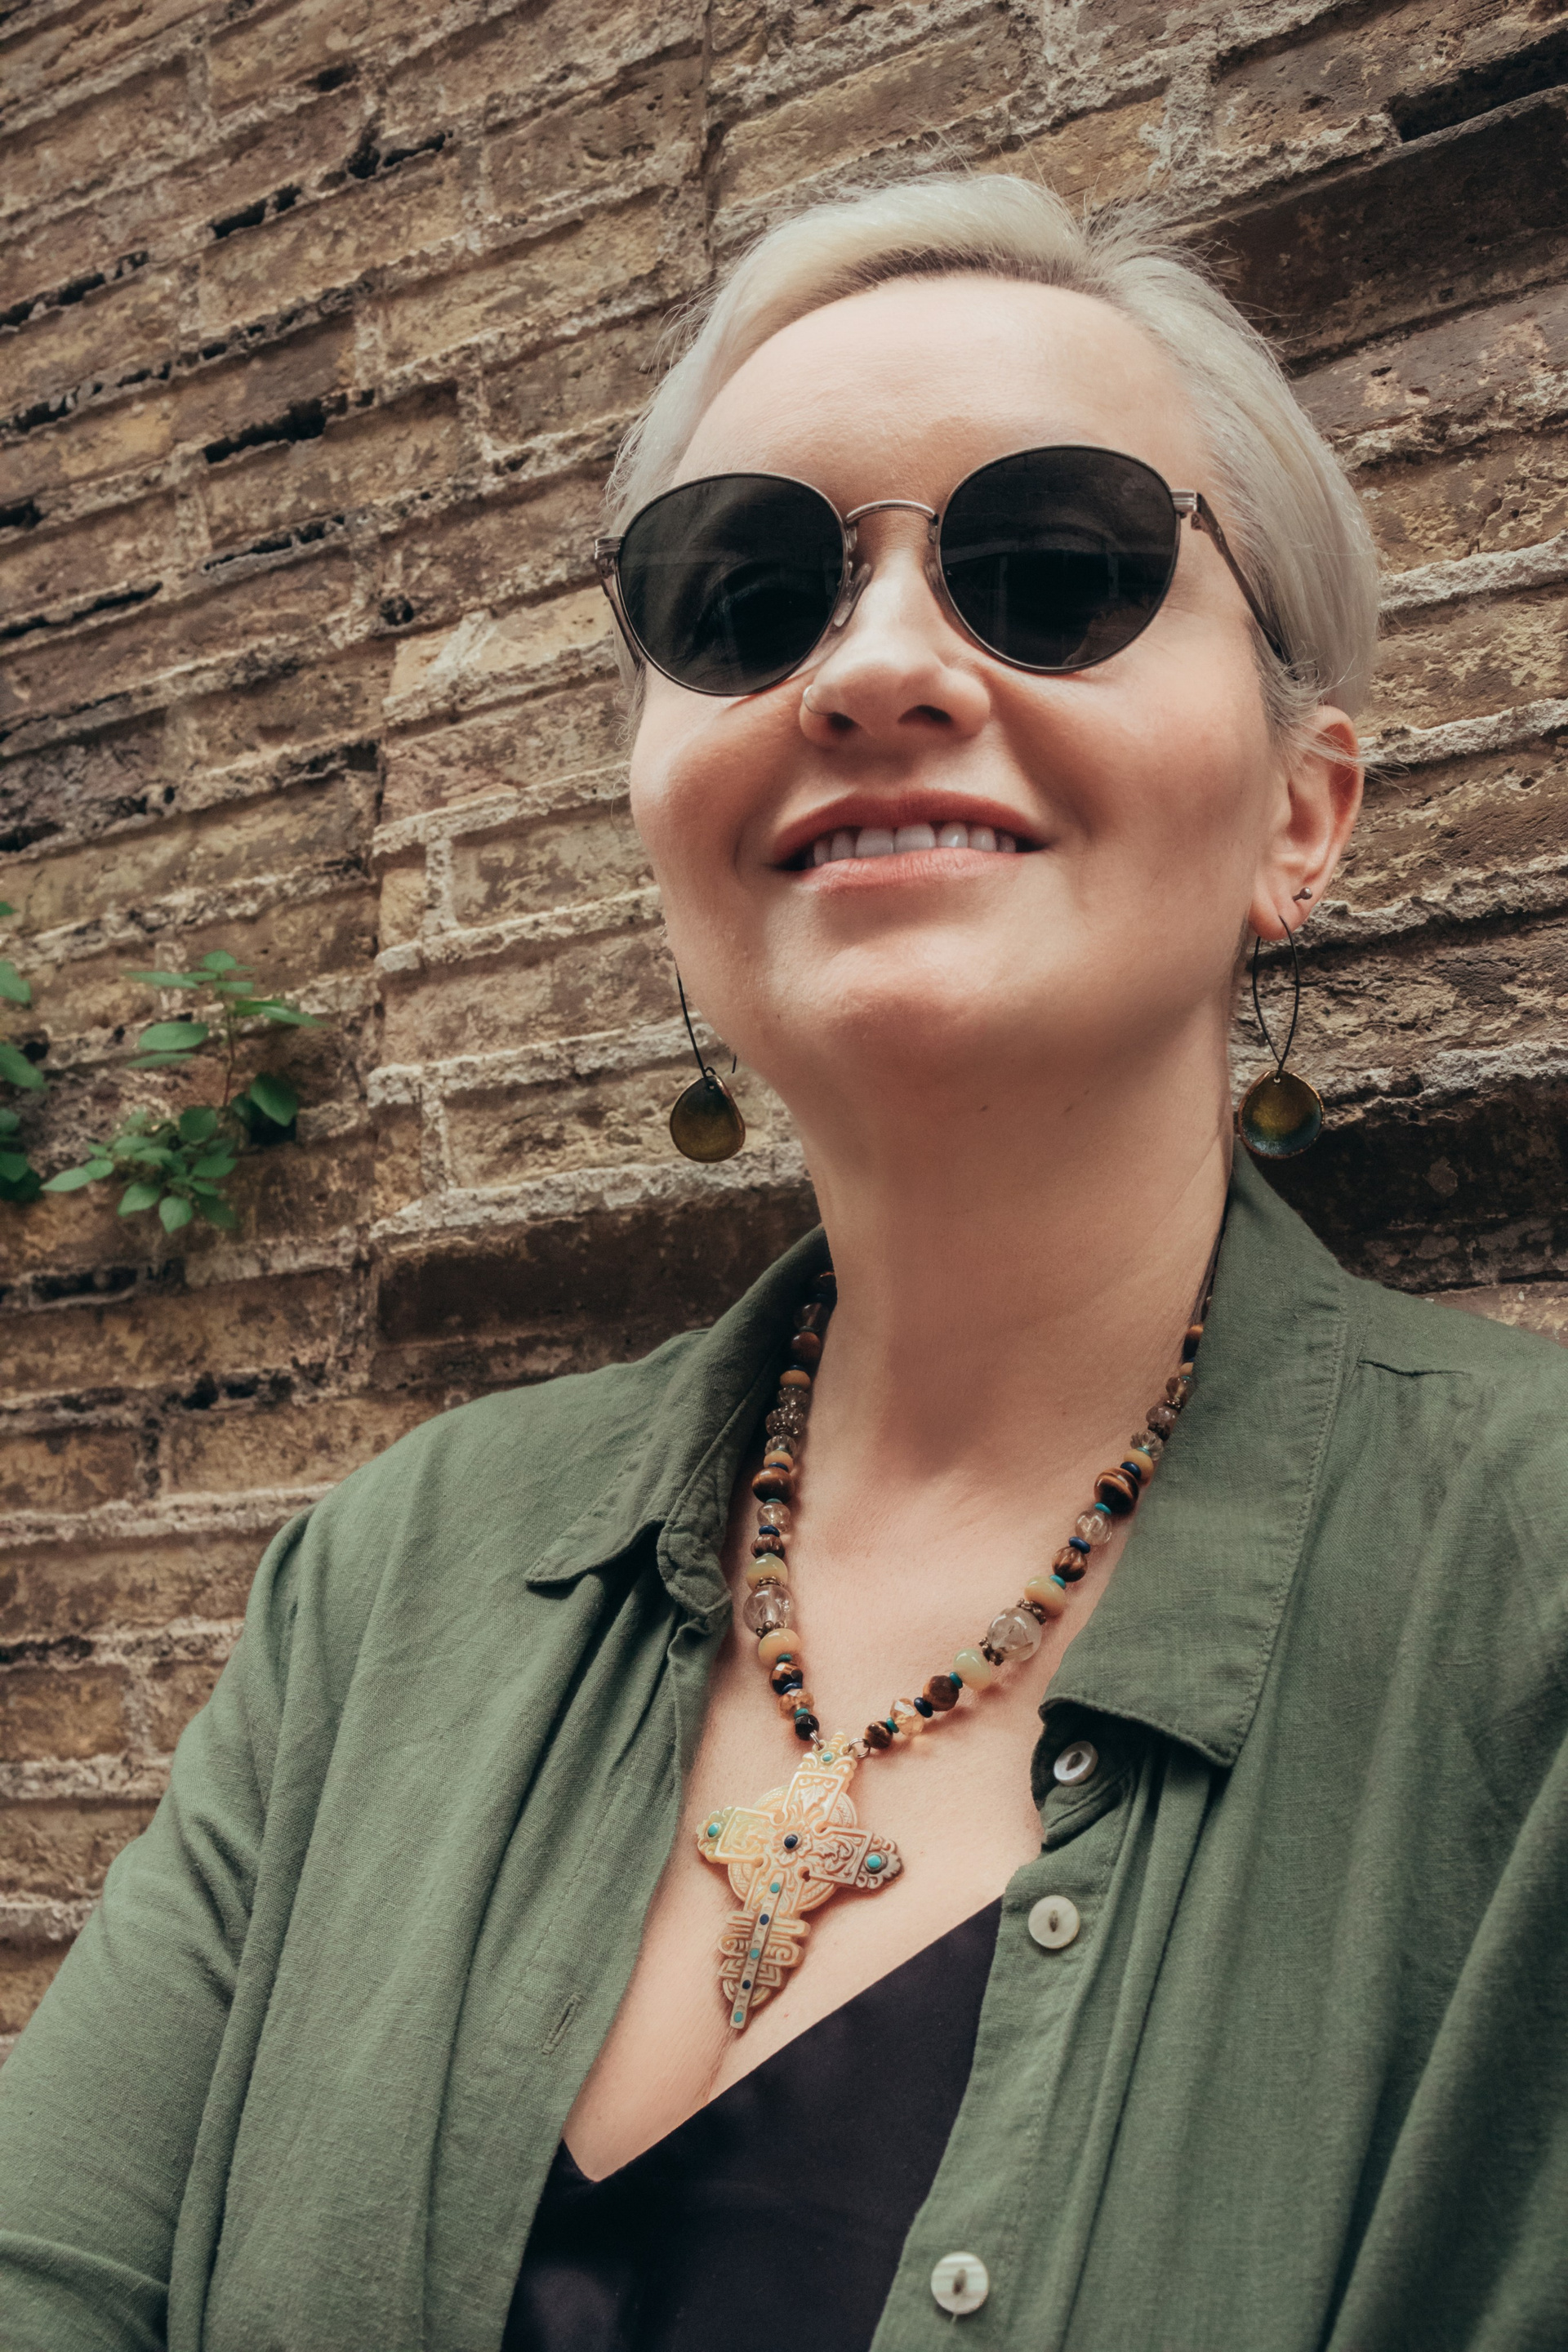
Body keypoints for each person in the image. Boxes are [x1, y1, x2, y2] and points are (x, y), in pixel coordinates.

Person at [1, 172, 1565, 2352]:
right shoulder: (391, 1582)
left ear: (1303, 811)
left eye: (1059, 566)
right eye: (745, 597)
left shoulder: (1526, 1612)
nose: (881, 666)